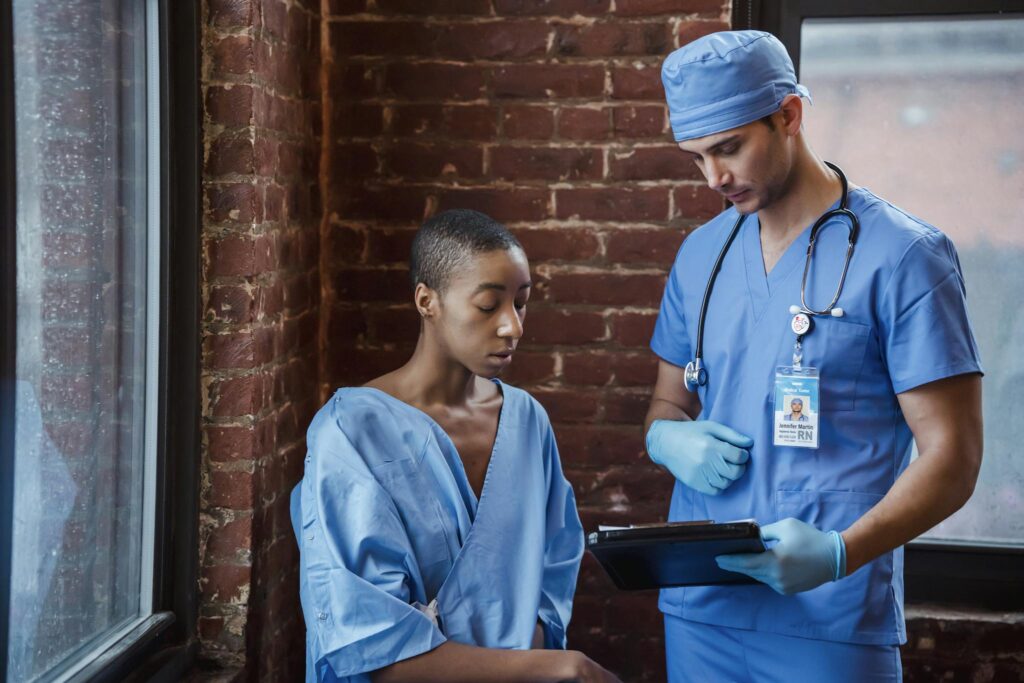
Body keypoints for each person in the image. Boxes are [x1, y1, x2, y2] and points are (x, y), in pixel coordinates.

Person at [644, 30, 983, 682]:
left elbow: (955, 458)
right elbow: (668, 401)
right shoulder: (701, 258)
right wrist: (665, 437)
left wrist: (836, 553)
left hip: (829, 615)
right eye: (696, 158)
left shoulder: (906, 257)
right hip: (701, 610)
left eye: (729, 148)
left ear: (789, 115)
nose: (714, 177)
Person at [291, 209, 620, 683]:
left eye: (521, 303)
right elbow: (373, 648)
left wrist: (528, 660)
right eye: (489, 306)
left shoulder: (526, 420)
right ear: (428, 301)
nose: (513, 327)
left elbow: (553, 570)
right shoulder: (351, 432)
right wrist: (551, 667)